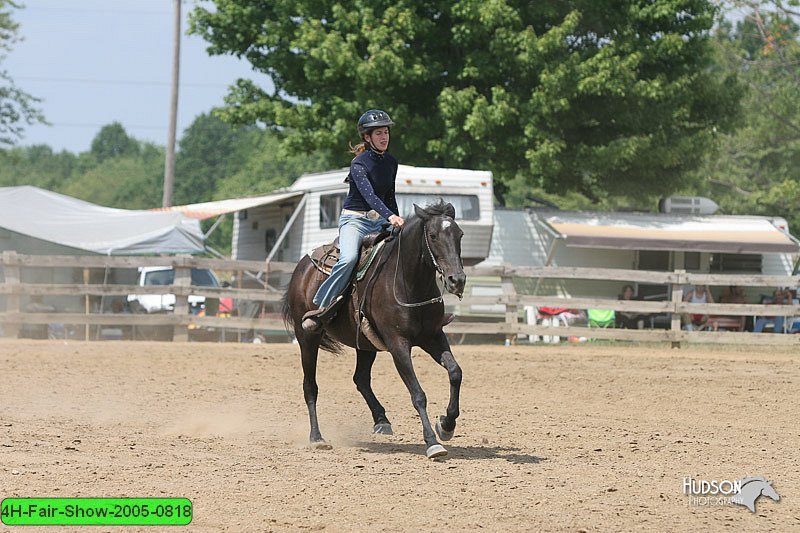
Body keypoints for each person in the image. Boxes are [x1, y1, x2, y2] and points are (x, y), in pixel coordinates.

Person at [301, 109, 405, 332]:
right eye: (378, 133)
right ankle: (322, 306)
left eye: (386, 132)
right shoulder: (358, 164)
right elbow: (370, 197)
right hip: (355, 221)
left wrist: (396, 221)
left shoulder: (392, 162)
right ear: (367, 137)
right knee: (348, 259)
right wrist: (391, 216)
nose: (384, 137)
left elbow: (389, 196)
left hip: (379, 221)